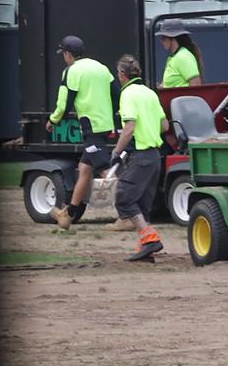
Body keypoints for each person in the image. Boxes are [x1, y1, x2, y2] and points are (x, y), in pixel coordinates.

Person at [46, 35, 119, 230]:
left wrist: (54, 120)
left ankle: (130, 212)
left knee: (105, 170)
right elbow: (116, 94)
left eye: (63, 53)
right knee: (85, 169)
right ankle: (68, 215)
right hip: (105, 123)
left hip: (90, 125)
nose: (63, 57)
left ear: (68, 54)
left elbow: (64, 103)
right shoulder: (102, 67)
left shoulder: (71, 71)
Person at [110, 54, 169, 262]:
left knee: (124, 198)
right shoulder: (150, 93)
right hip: (155, 156)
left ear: (123, 75)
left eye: (118, 73)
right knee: (143, 206)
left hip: (141, 155)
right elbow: (165, 126)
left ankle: (151, 240)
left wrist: (116, 152)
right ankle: (146, 250)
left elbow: (129, 127)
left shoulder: (127, 94)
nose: (118, 77)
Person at [155, 19, 204, 89]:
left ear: (173, 38)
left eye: (164, 37)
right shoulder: (174, 57)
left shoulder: (183, 56)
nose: (162, 41)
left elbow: (195, 84)